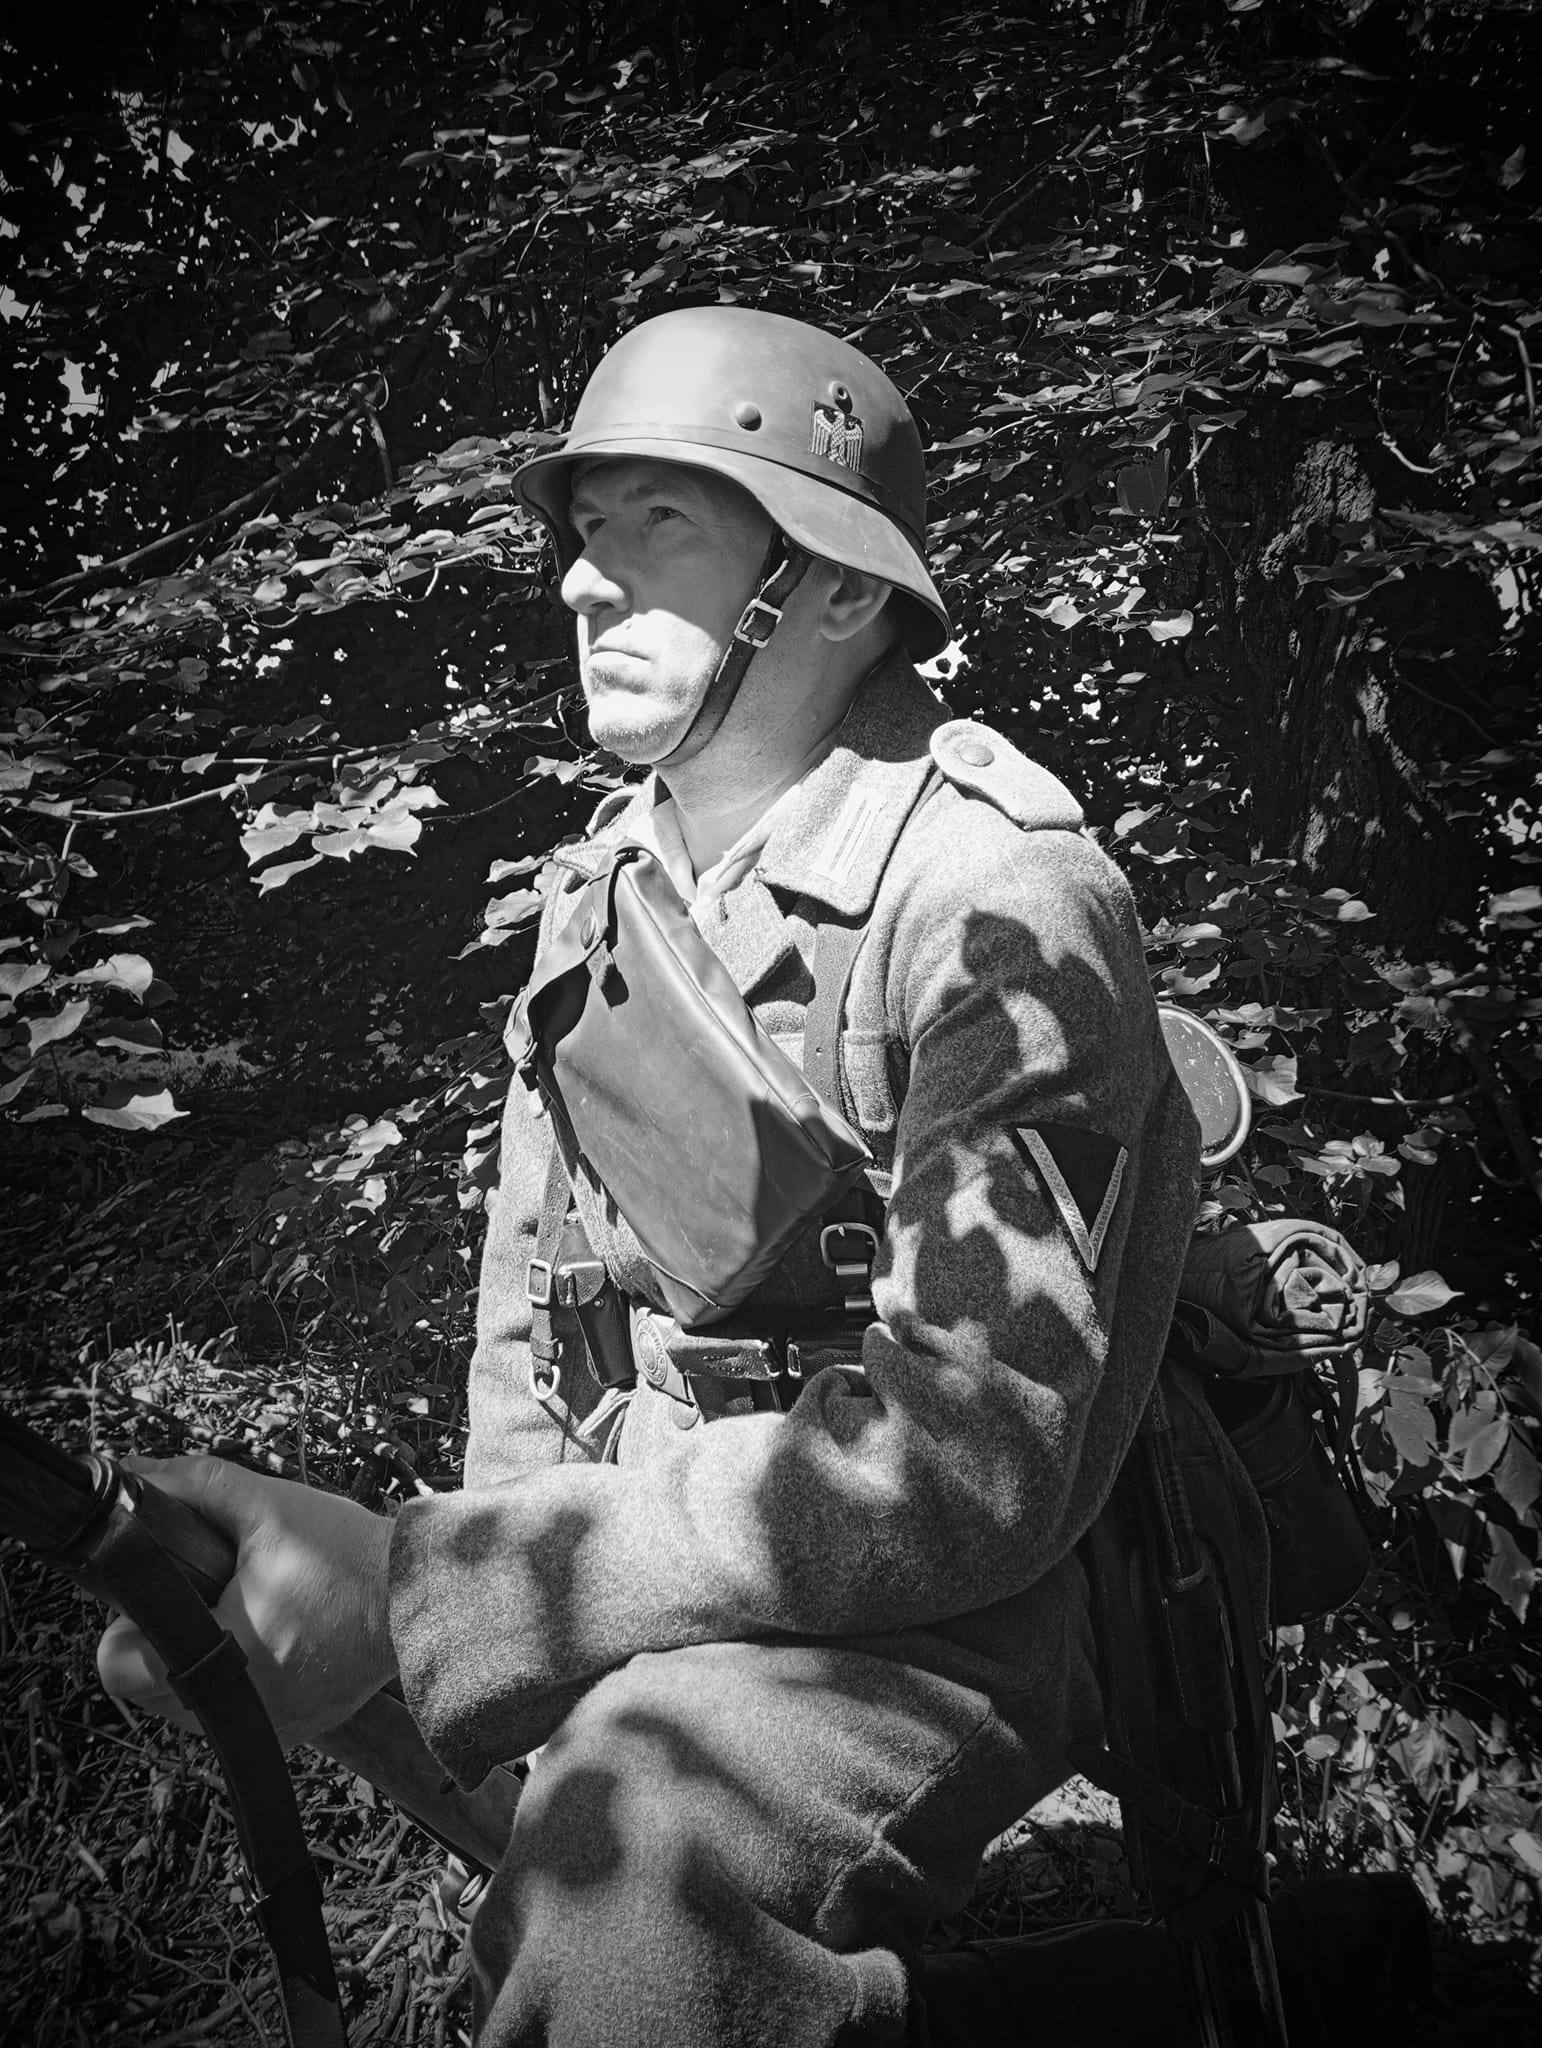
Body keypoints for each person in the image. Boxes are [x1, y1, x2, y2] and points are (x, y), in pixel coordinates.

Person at [99, 308, 1206, 2045]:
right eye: (585, 528)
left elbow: (975, 1467)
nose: (580, 579)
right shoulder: (604, 886)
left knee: (629, 1897)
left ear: (829, 589)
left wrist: (437, 1592)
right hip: (640, 1557)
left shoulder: (997, 906)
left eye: (659, 526)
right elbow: (544, 1313)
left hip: (932, 1607)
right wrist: (493, 1617)